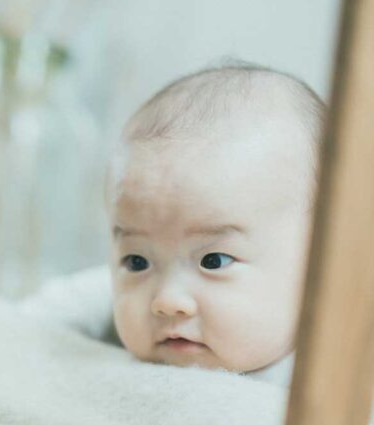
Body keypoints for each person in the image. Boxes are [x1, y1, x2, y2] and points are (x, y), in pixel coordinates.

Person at [107, 63, 327, 384]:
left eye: (214, 261)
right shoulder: (98, 319)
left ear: (321, 265)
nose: (167, 301)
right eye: (137, 261)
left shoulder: (342, 381)